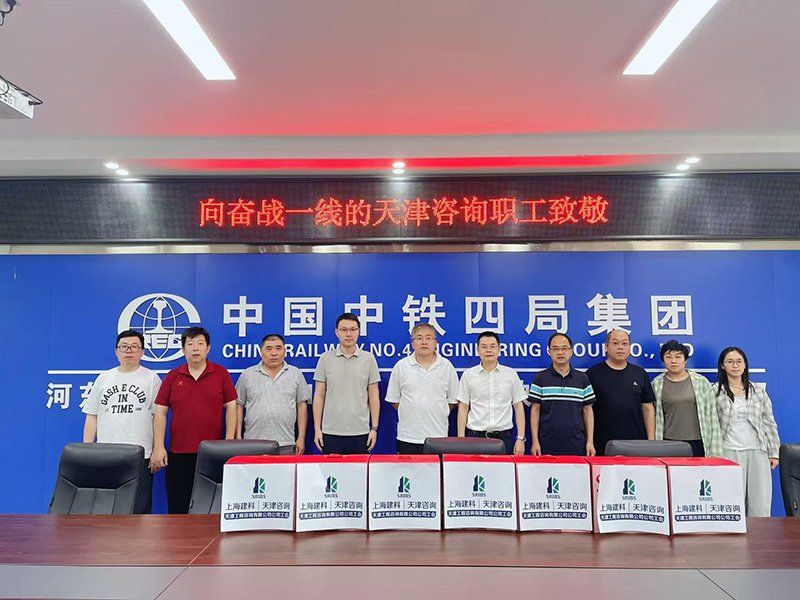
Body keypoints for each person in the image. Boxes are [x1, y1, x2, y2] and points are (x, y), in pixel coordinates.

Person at [150, 327, 237, 514]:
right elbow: (160, 413)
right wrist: (158, 447)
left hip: (212, 454)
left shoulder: (221, 373)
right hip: (179, 454)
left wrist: (229, 442)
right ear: (183, 349)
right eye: (190, 344)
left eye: (200, 343)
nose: (195, 348)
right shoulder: (173, 376)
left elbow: (231, 407)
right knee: (178, 508)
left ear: (208, 348)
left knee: (212, 508)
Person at [82, 329, 162, 512]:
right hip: (106, 453)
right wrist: (87, 450)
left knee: (139, 507)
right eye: (124, 347)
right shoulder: (103, 378)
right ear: (116, 351)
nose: (129, 351)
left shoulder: (152, 379)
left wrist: (157, 449)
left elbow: (158, 417)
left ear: (142, 352)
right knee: (106, 506)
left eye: (134, 347)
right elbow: (92, 415)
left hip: (140, 453)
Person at [713, 346, 780, 516]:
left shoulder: (758, 391)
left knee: (760, 505)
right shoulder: (715, 391)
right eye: (730, 362)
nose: (735, 365)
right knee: (731, 502)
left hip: (758, 451)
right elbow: (711, 424)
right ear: (722, 365)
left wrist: (774, 452)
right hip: (728, 452)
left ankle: (759, 534)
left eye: (739, 361)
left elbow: (769, 422)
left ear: (745, 365)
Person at [313, 313, 381, 454]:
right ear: (336, 332)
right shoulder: (325, 359)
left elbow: (374, 396)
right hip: (330, 432)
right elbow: (319, 396)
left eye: (353, 329)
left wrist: (374, 428)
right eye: (344, 330)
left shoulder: (369, 359)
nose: (348, 334)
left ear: (358, 331)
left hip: (361, 432)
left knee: (359, 469)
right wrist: (317, 429)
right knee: (331, 469)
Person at [386, 323, 459, 454]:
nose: (424, 342)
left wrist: (438, 411)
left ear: (435, 342)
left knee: (437, 468)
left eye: (428, 338)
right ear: (413, 343)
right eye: (419, 338)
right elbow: (394, 400)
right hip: (408, 437)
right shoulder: (401, 366)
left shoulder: (446, 367)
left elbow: (453, 401)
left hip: (438, 436)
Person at [235, 333, 311, 455]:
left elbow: (302, 406)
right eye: (269, 349)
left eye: (278, 348)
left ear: (285, 351)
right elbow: (238, 405)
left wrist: (301, 438)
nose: (274, 353)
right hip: (253, 443)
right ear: (261, 352)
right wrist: (238, 436)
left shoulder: (295, 374)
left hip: (286, 443)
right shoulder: (247, 375)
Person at [456, 331, 527, 455]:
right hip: (475, 438)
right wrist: (461, 440)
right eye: (484, 347)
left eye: (492, 346)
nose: (488, 350)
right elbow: (463, 408)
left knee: (503, 469)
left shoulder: (510, 374)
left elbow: (518, 407)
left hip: (503, 439)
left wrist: (520, 439)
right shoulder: (468, 375)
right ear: (478, 350)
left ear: (499, 350)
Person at [587, 329, 655, 456]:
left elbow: (648, 408)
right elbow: (587, 410)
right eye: (615, 343)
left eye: (624, 343)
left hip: (636, 443)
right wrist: (589, 441)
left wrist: (651, 442)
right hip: (603, 443)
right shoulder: (593, 374)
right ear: (606, 346)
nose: (620, 347)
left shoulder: (640, 373)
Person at [652, 339, 724, 458]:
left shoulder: (701, 382)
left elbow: (712, 417)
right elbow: (653, 417)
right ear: (663, 360)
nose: (673, 361)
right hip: (668, 442)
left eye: (678, 357)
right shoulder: (656, 384)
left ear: (685, 360)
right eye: (668, 357)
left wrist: (715, 451)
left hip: (698, 442)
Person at [529, 332, 596, 456]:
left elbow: (588, 411)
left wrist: (590, 441)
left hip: (576, 444)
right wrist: (535, 441)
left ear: (571, 351)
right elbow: (535, 411)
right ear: (549, 352)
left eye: (564, 348)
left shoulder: (582, 378)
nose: (560, 352)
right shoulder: (540, 378)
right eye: (555, 349)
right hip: (547, 444)